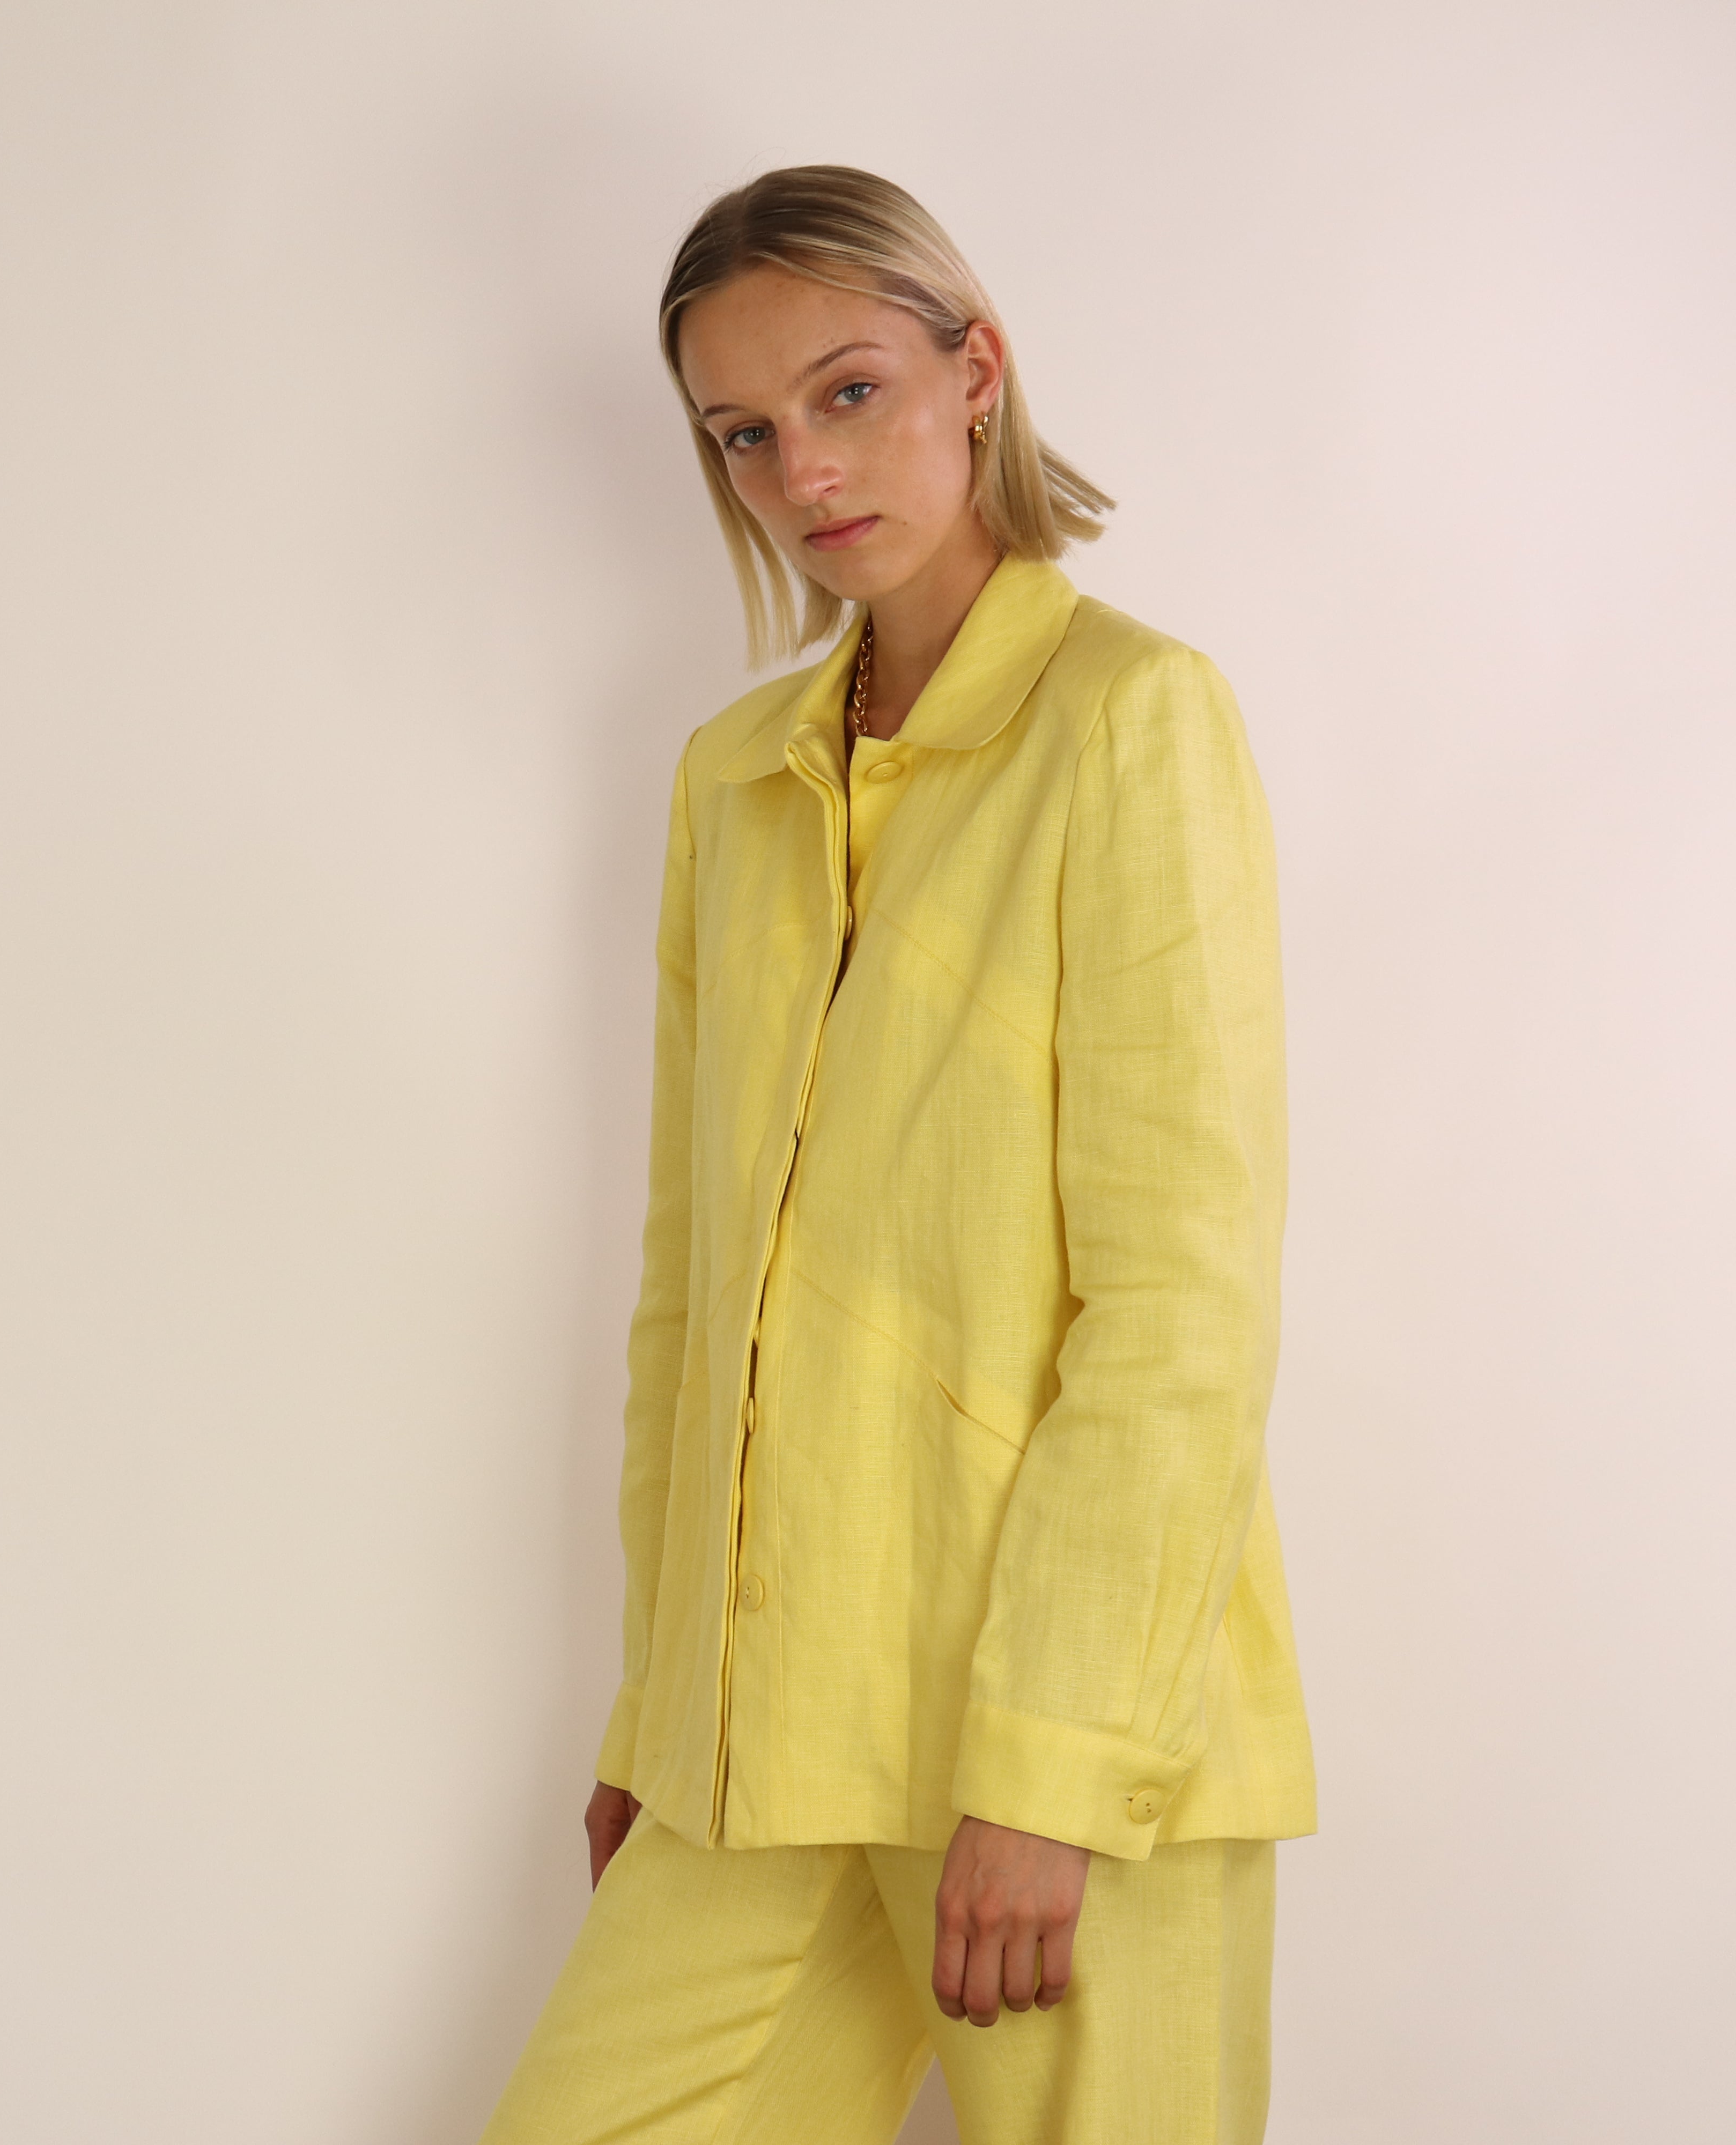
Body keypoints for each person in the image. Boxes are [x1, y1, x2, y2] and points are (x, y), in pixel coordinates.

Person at [481, 165, 1317, 2145]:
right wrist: (660, 1702)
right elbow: (694, 1293)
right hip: (762, 1736)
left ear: (976, 373)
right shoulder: (734, 782)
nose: (804, 472)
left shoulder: (1131, 722)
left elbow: (1181, 1298)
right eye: (743, 434)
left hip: (1065, 1733)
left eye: (847, 392)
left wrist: (1053, 1759)